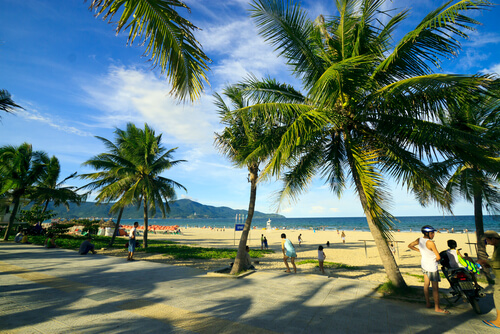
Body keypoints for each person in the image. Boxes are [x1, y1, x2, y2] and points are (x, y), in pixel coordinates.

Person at [408, 225, 448, 314]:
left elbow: (410, 245)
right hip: (432, 267)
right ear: (427, 233)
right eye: (432, 233)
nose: (434, 234)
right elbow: (438, 257)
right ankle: (437, 308)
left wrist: (420, 251)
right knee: (435, 288)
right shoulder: (430, 243)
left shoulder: (419, 240)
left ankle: (428, 303)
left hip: (424, 265)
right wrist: (437, 259)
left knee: (426, 284)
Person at [477, 231, 500, 328]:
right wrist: (489, 264)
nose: (487, 242)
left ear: (493, 239)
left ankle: (499, 322)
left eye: (487, 240)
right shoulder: (497, 246)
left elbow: (498, 263)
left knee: (497, 296)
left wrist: (485, 261)